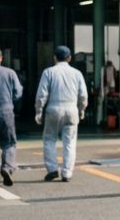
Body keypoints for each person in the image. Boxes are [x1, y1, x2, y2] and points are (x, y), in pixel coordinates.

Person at [34, 46, 88, 182]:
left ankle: (52, 169)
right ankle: (67, 172)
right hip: (72, 109)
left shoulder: (48, 72)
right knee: (69, 142)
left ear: (54, 58)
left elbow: (41, 95)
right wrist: (81, 110)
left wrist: (38, 111)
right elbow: (83, 95)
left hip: (53, 109)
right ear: (69, 58)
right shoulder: (77, 73)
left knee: (49, 140)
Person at [0, 46, 22, 187]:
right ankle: (7, 167)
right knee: (9, 143)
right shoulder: (10, 73)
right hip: (6, 111)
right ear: (1, 58)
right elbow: (18, 93)